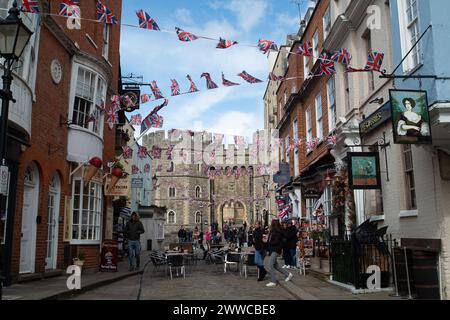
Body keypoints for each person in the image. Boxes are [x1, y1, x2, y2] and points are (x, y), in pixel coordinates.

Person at [266, 220, 293, 287]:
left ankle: (273, 281)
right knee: (275, 265)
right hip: (273, 249)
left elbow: (276, 242)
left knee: (270, 265)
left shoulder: (277, 232)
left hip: (275, 249)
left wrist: (268, 242)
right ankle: (288, 274)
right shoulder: (274, 231)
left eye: (271, 223)